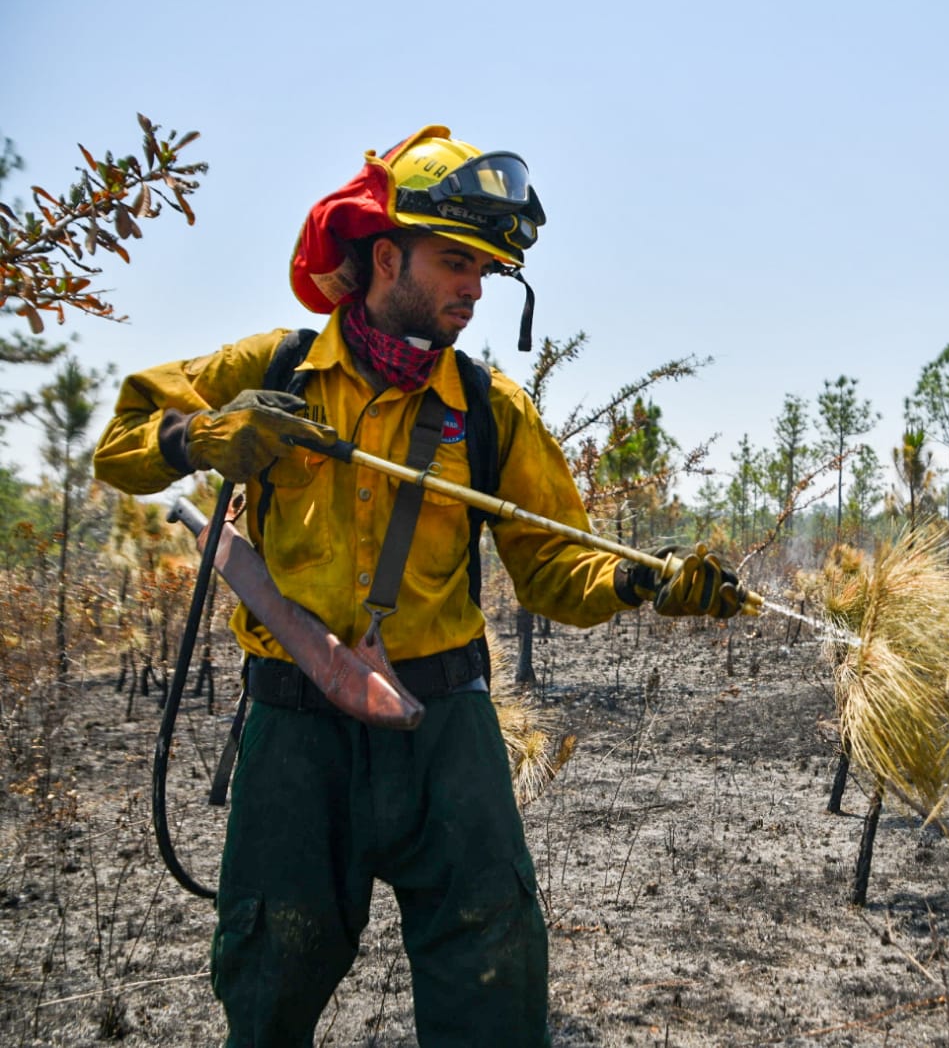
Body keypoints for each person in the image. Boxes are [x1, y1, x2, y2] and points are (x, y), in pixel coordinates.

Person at [93, 125, 741, 1047]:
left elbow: (556, 568)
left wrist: (648, 583)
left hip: (448, 734)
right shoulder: (269, 372)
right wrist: (197, 439)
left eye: (487, 270)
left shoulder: (489, 409)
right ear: (385, 256)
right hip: (292, 734)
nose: (475, 288)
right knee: (269, 981)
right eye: (455, 263)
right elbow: (119, 443)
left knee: (494, 980)